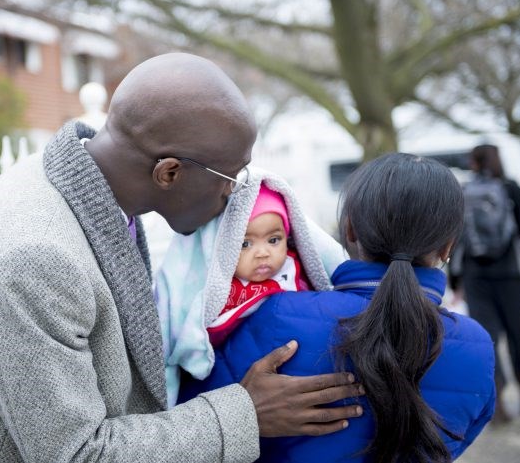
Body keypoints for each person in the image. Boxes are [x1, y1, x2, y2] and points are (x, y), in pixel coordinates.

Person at [0, 53, 363, 463]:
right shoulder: (35, 262)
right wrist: (247, 412)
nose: (235, 193)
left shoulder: (83, 185)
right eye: (231, 175)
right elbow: (78, 453)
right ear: (169, 172)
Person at [184, 153, 496, 462]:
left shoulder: (275, 316)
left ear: (349, 231)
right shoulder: (477, 346)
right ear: (448, 246)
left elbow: (195, 420)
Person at [157, 175, 346, 407]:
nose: (263, 253)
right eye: (245, 244)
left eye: (274, 240)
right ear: (225, 245)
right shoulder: (213, 289)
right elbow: (186, 334)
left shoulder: (295, 274)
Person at [449, 144, 520, 424]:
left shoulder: (463, 193)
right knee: (517, 334)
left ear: (473, 163)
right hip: (512, 274)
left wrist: (455, 280)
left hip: (477, 277)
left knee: (487, 339)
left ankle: (497, 406)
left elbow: (458, 239)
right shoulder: (512, 189)